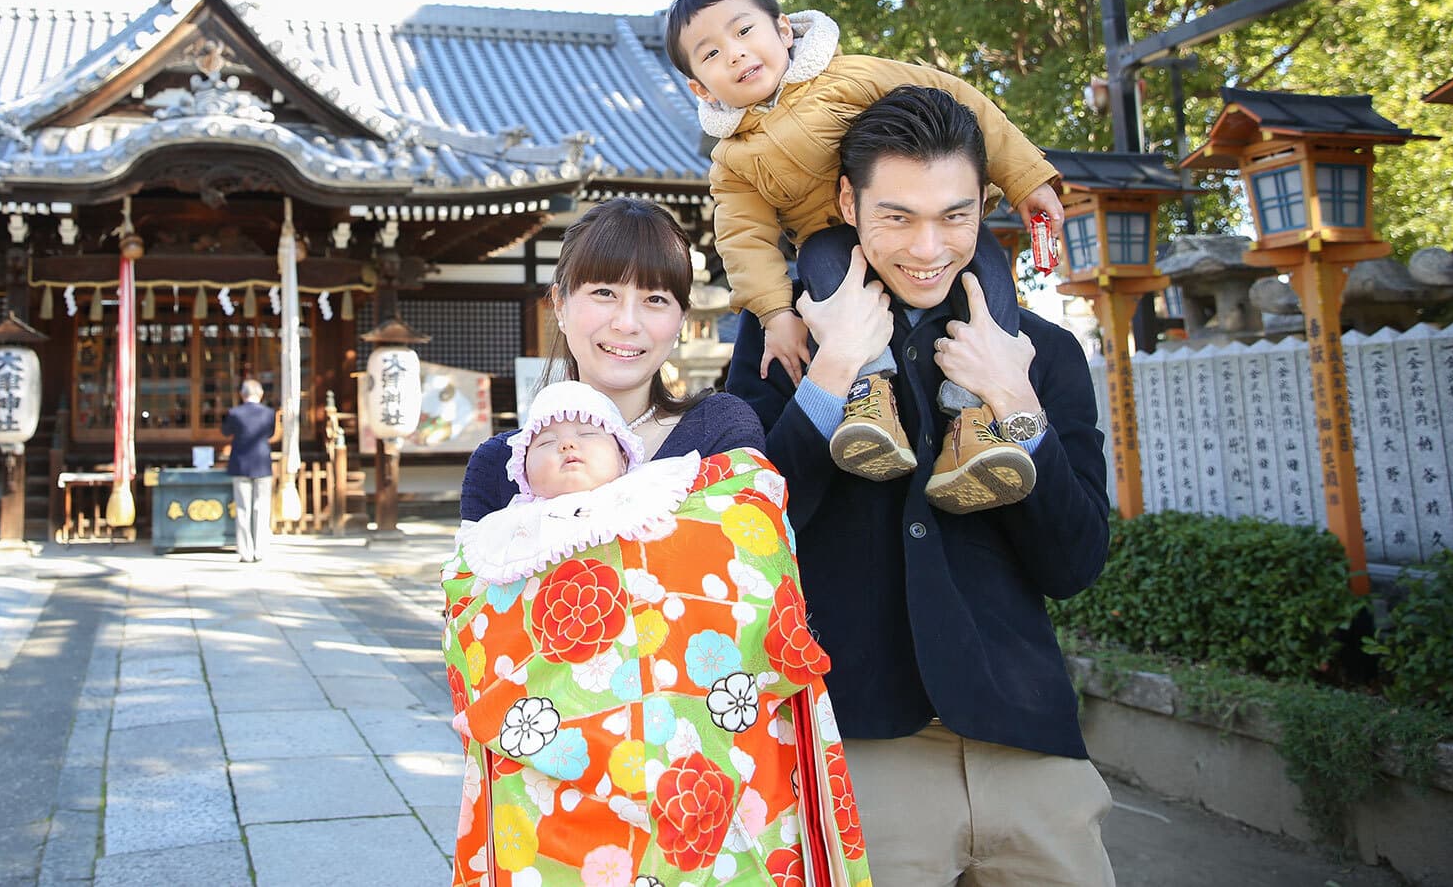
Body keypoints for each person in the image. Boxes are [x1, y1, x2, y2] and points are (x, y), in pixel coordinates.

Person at [728, 85, 1115, 885]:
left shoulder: (1040, 351)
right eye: (897, 216)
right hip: (862, 745)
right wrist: (831, 373)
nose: (929, 246)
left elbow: (1075, 563)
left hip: (1029, 741)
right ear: (846, 200)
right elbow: (745, 539)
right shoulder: (785, 338)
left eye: (955, 215)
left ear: (983, 203)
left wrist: (1018, 404)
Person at [445, 381, 871, 885]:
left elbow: (753, 563)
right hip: (544, 743)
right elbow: (470, 620)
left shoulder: (672, 489)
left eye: (588, 432)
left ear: (628, 455)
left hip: (693, 733)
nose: (567, 444)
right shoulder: (498, 539)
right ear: (519, 469)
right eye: (544, 441)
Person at [666, 0, 1064, 511]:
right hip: (831, 249)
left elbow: (956, 102)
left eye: (745, 32)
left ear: (784, 29)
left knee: (987, 270)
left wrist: (1027, 178)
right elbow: (744, 238)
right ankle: (866, 397)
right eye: (712, 53)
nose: (736, 55)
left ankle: (975, 418)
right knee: (822, 253)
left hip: (925, 257)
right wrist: (776, 315)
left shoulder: (850, 76)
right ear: (699, 85)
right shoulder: (734, 159)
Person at [459, 196, 764, 526]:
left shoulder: (719, 431)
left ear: (681, 319)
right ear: (560, 304)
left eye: (655, 299)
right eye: (604, 293)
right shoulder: (500, 464)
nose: (627, 323)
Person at [218, 378, 277, 562]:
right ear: (260, 394)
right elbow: (270, 434)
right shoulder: (269, 413)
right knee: (262, 507)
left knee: (243, 509)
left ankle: (245, 551)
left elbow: (225, 432)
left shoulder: (235, 413)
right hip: (261, 463)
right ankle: (260, 550)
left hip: (241, 463)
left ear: (242, 395)